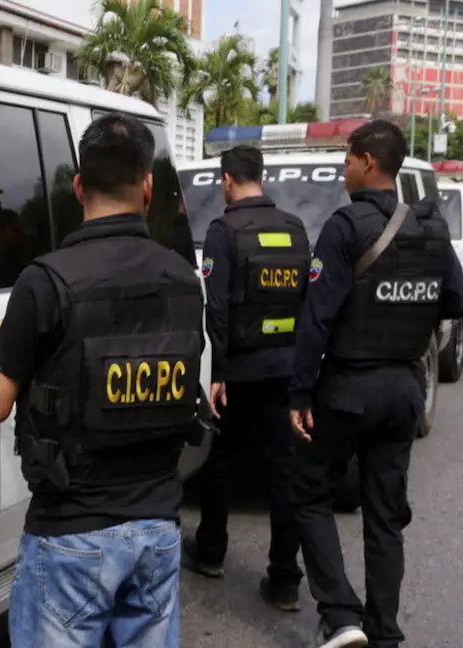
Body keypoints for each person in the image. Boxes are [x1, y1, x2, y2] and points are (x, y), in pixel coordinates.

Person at [0, 113, 204, 647]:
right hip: (157, 527)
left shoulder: (45, 282)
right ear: (148, 186)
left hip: (72, 534)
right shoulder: (184, 278)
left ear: (79, 186)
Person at [287, 120, 463, 648]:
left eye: (347, 160)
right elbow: (456, 301)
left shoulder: (345, 226)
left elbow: (316, 317)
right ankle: (384, 632)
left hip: (348, 388)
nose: (344, 170)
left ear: (369, 162)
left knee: (309, 494)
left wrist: (300, 393)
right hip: (405, 388)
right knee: (386, 516)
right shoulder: (431, 229)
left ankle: (341, 616)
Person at [182, 144, 309, 612]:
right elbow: (306, 302)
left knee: (220, 463)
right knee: (284, 472)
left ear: (227, 180)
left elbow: (216, 307)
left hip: (239, 370)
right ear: (261, 176)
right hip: (286, 368)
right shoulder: (295, 229)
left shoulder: (224, 230)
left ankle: (211, 553)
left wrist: (218, 372)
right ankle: (285, 580)